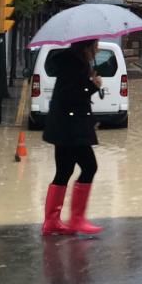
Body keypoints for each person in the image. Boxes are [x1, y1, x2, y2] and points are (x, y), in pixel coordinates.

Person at [41, 39, 104, 236]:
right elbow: (72, 96)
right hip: (70, 129)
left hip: (63, 127)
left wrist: (89, 84)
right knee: (89, 167)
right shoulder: (74, 64)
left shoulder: (74, 62)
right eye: (96, 45)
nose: (98, 48)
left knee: (64, 171)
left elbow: (71, 93)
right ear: (87, 47)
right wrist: (92, 86)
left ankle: (51, 221)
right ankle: (76, 219)